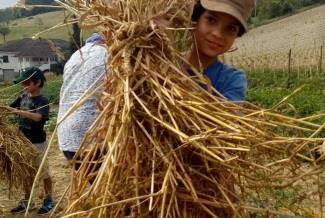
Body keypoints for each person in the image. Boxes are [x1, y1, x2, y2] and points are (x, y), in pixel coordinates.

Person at [5, 66, 54, 214]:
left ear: (37, 82)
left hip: (38, 143)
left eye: (27, 83)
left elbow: (38, 117)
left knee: (43, 172)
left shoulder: (42, 100)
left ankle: (48, 199)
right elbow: (8, 108)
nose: (24, 86)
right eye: (23, 83)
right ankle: (28, 200)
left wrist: (18, 111)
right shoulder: (22, 97)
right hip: (22, 142)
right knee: (26, 172)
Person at [186, 0, 254, 102]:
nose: (217, 34)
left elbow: (226, 114)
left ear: (237, 35)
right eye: (211, 20)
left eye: (230, 28)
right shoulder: (163, 61)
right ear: (195, 19)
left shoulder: (233, 80)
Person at [57, 33, 108, 163]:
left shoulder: (76, 56)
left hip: (65, 131)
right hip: (90, 132)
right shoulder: (107, 54)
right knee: (103, 180)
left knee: (91, 180)